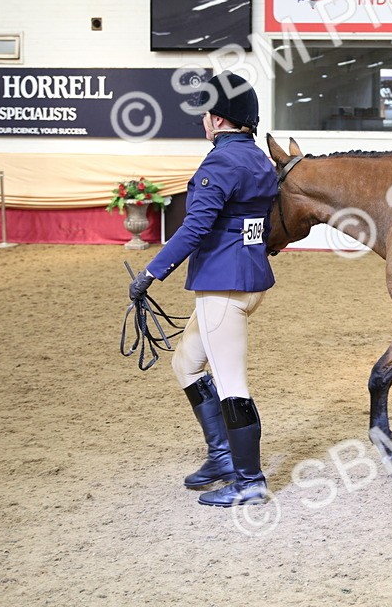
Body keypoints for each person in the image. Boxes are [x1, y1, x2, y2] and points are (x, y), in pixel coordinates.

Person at [127, 72, 278, 507]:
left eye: (205, 117)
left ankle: (249, 480)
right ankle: (223, 455)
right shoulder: (258, 160)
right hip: (248, 277)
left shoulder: (220, 162)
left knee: (231, 381)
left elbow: (196, 227)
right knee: (187, 363)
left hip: (224, 284)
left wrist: (151, 273)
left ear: (216, 119)